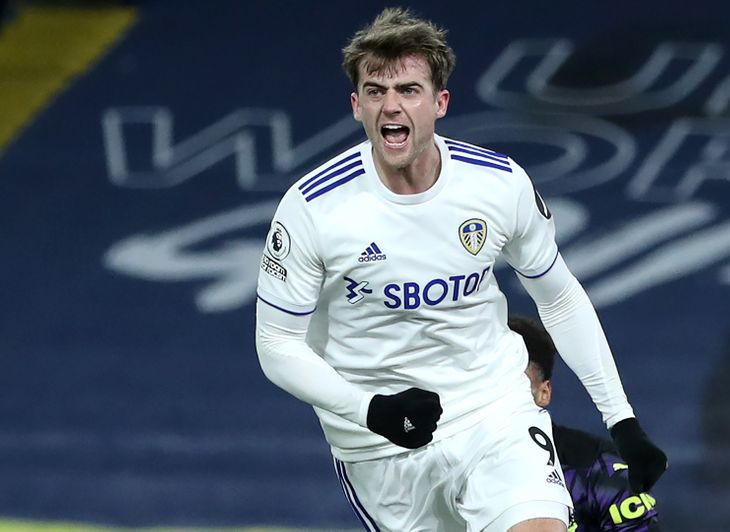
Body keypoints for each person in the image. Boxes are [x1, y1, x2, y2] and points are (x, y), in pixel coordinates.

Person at [254, 7, 667, 531]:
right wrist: (371, 410)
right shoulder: (313, 208)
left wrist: (620, 417)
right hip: (379, 450)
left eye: (408, 89)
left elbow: (558, 297)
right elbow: (276, 344)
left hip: (495, 415)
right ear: (356, 106)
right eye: (376, 92)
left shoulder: (497, 185)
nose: (391, 105)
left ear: (439, 103)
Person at [510, 315, 662, 531]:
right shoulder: (449, 465)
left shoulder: (599, 469)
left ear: (544, 392)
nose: (498, 394)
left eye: (513, 381)